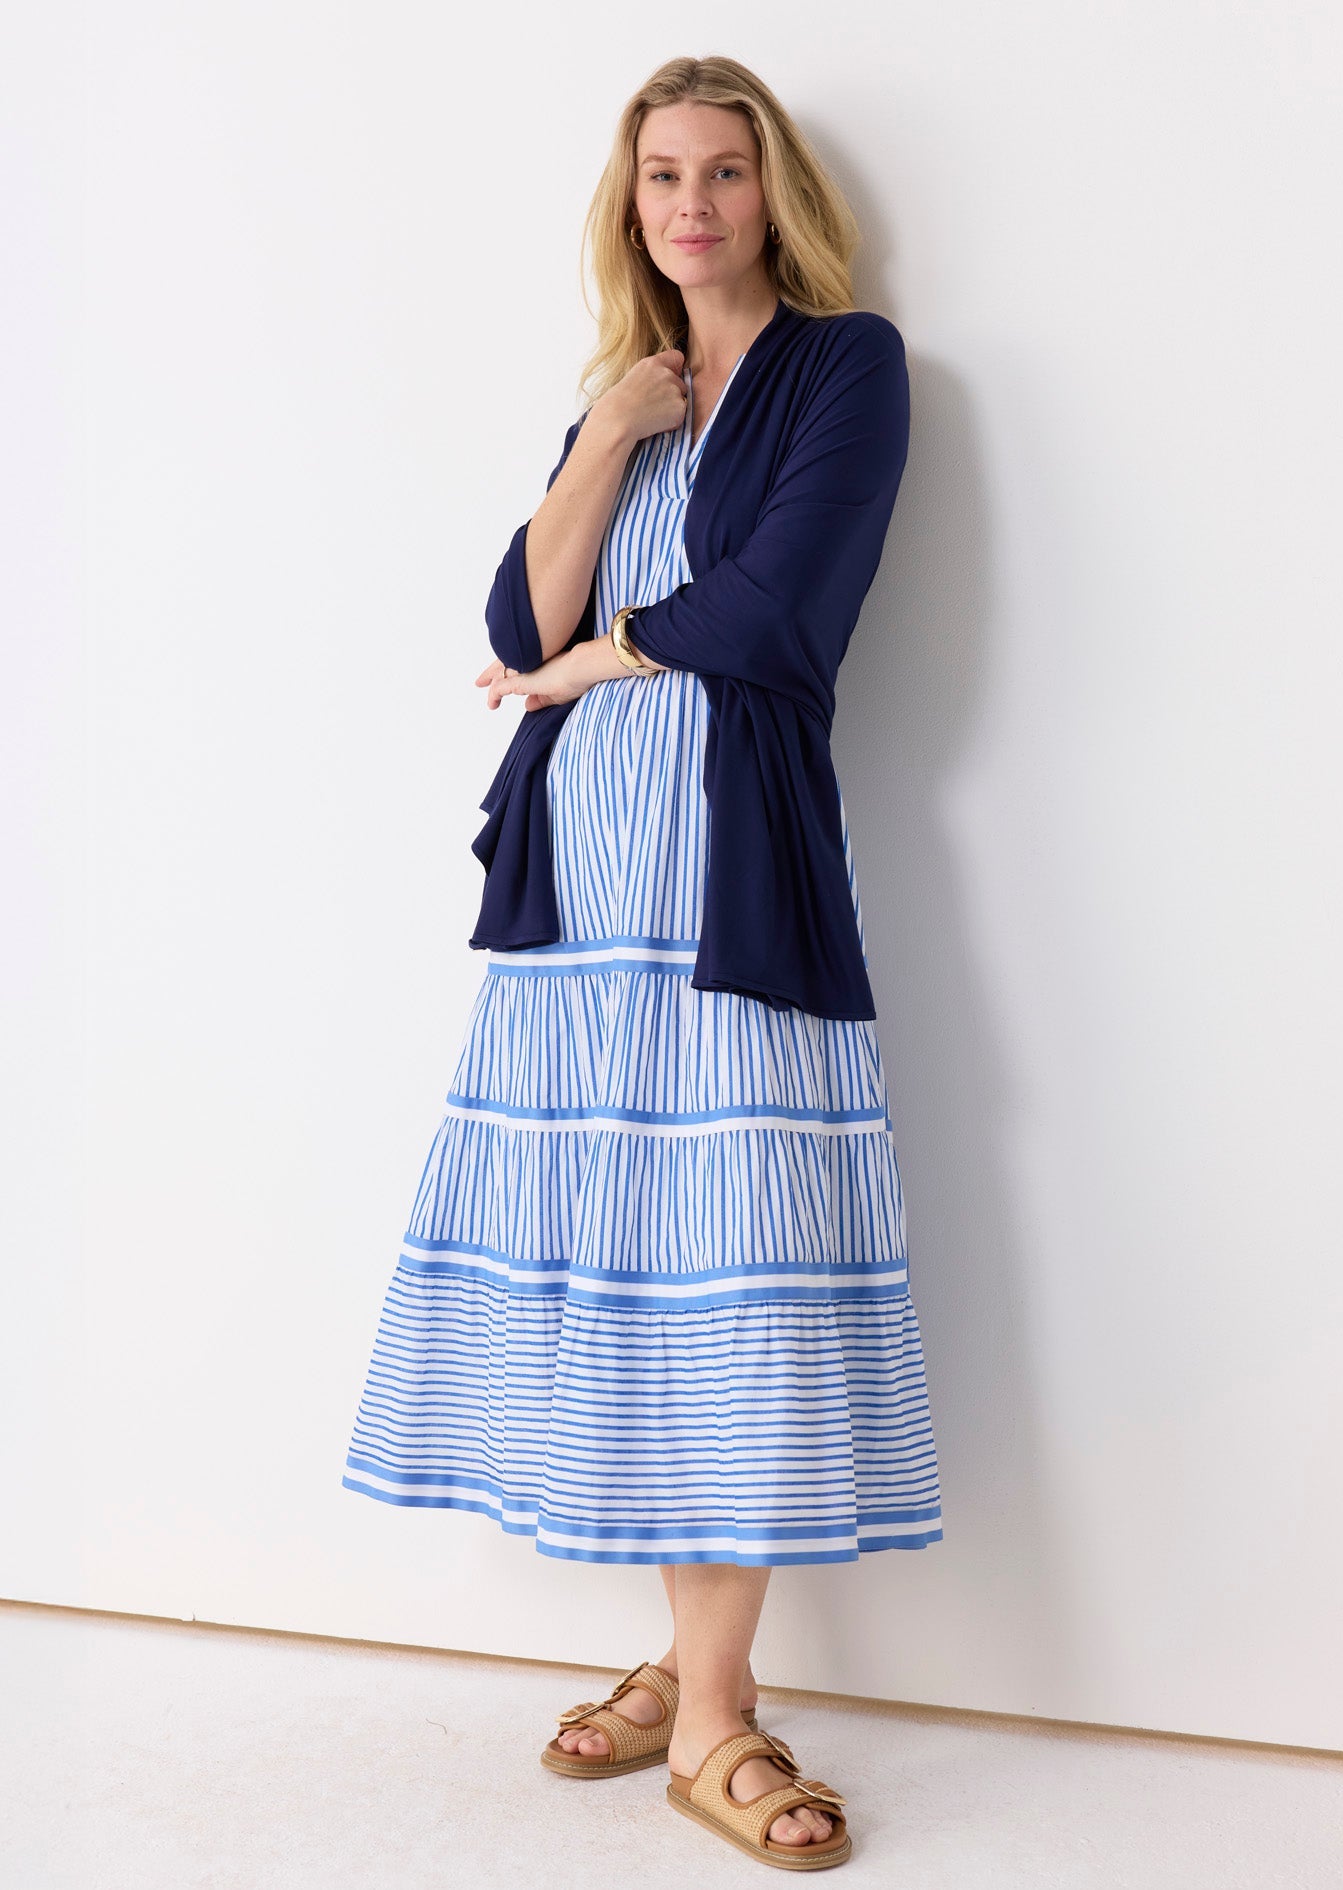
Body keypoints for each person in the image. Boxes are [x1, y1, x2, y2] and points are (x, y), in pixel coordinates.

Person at [343, 54, 944, 1870]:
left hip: (726, 881)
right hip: (576, 906)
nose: (691, 203)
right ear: (631, 204)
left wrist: (592, 657)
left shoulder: (848, 367)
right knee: (622, 1281)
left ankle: (709, 1717)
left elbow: (775, 615)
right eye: (661, 175)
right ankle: (697, 1676)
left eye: (725, 173)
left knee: (729, 1279)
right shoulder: (628, 392)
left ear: (776, 195)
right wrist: (608, 434)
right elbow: (507, 616)